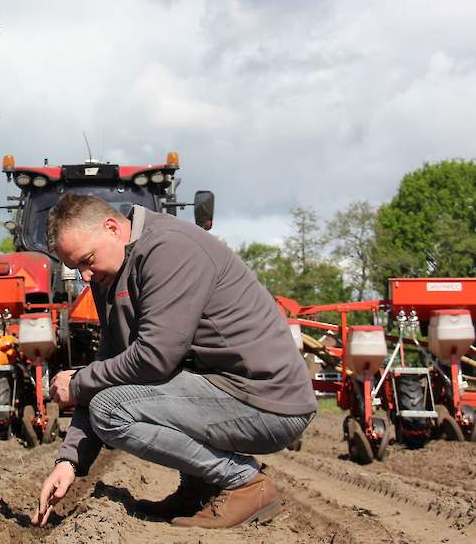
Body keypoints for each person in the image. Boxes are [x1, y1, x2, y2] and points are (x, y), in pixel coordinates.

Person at [32, 193, 316, 529]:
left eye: (86, 260)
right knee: (110, 397)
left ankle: (244, 483)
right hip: (223, 390)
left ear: (112, 228)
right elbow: (108, 365)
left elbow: (155, 358)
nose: (85, 276)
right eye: (76, 266)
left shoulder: (169, 249)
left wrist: (78, 384)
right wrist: (69, 461)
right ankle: (198, 488)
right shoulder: (108, 272)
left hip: (266, 401)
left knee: (111, 409)